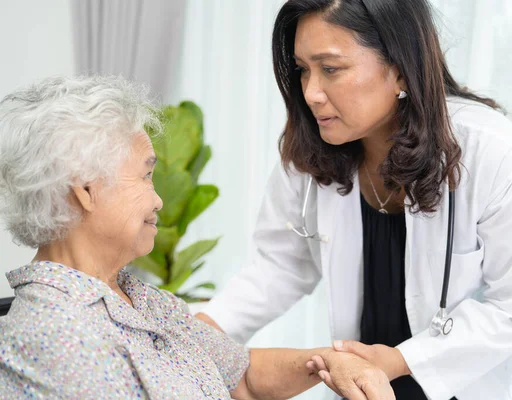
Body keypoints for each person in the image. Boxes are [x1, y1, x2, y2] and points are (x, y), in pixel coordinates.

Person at [196, 0, 512, 399]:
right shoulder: (314, 153)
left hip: (473, 384)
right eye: (303, 70)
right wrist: (197, 331)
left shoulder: (495, 155)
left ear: (401, 68)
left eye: (331, 69)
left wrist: (402, 360)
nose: (311, 92)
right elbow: (280, 265)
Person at [0, 75, 395, 400]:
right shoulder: (57, 335)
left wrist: (330, 362)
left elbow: (242, 376)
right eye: (144, 175)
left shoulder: (140, 299)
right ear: (85, 191)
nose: (157, 199)